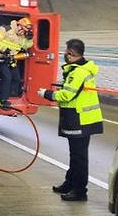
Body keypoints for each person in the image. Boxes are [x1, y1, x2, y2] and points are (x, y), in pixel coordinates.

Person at [37, 39, 103, 201]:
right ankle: (70, 183)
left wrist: (46, 94)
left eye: (66, 52)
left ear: (72, 53)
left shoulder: (78, 72)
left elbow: (67, 95)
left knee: (79, 156)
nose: (64, 54)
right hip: (78, 117)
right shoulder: (77, 69)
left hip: (81, 119)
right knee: (75, 155)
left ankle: (80, 190)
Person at [0, 18, 33, 107]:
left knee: (17, 78)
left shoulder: (21, 36)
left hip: (10, 59)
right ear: (19, 26)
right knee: (7, 77)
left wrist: (29, 39)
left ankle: (7, 94)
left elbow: (26, 46)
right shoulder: (5, 29)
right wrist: (6, 50)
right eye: (23, 29)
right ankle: (3, 100)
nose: (23, 32)